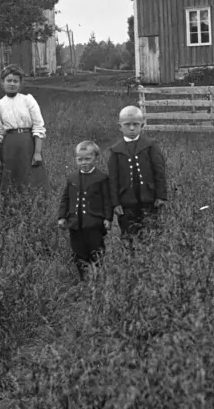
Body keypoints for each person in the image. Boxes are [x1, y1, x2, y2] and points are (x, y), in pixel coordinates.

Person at [107, 105, 167, 238]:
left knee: (151, 232)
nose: (132, 128)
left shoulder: (151, 146)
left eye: (136, 124)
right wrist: (115, 203)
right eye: (127, 125)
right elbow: (113, 179)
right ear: (120, 126)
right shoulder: (116, 150)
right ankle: (130, 257)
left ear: (143, 125)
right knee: (128, 234)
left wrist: (161, 195)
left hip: (149, 199)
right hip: (126, 201)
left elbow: (159, 172)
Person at [57, 140, 112, 280]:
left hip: (94, 224)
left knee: (96, 251)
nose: (84, 162)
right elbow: (65, 199)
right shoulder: (72, 178)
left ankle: (98, 278)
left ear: (96, 158)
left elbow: (107, 200)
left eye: (88, 159)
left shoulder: (101, 178)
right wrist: (62, 217)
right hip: (75, 224)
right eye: (80, 159)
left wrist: (108, 218)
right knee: (78, 253)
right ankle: (84, 279)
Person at [0, 65, 48, 193]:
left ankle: (34, 206)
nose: (12, 84)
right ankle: (11, 208)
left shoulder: (28, 100)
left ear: (20, 83)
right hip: (9, 146)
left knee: (31, 178)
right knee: (11, 180)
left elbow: (38, 126)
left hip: (28, 144)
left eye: (15, 81)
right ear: (2, 82)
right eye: (9, 81)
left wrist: (37, 152)